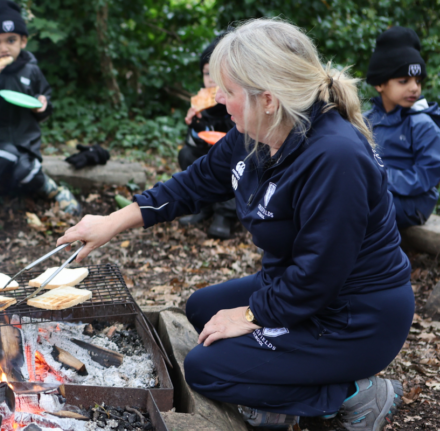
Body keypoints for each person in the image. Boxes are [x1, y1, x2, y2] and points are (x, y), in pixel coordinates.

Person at [57, 19, 411, 431]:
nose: (219, 99)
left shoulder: (335, 157)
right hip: (297, 287)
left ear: (268, 99)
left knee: (206, 369)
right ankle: (280, 395)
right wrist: (111, 222)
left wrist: (250, 314)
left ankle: (353, 394)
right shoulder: (257, 133)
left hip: (352, 316)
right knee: (201, 310)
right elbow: (194, 183)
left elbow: (320, 275)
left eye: (228, 90)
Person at [0, 0, 80, 229]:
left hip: (23, 142)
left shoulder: (32, 70)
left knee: (25, 167)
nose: (4, 48)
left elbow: (44, 100)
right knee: (3, 153)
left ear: (23, 41)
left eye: (11, 40)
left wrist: (42, 105)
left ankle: (56, 192)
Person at [364, 26, 440, 229]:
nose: (414, 87)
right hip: (378, 194)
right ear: (380, 84)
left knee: (359, 209)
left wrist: (380, 178)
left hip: (413, 203)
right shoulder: (365, 121)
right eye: (404, 81)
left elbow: (428, 175)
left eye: (418, 81)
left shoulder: (422, 124)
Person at [177, 32, 238, 239]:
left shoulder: (237, 103)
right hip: (209, 158)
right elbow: (194, 143)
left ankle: (225, 214)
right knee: (187, 154)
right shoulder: (201, 105)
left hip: (233, 161)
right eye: (206, 73)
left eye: (216, 73)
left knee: (232, 162)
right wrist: (196, 125)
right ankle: (203, 206)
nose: (211, 80)